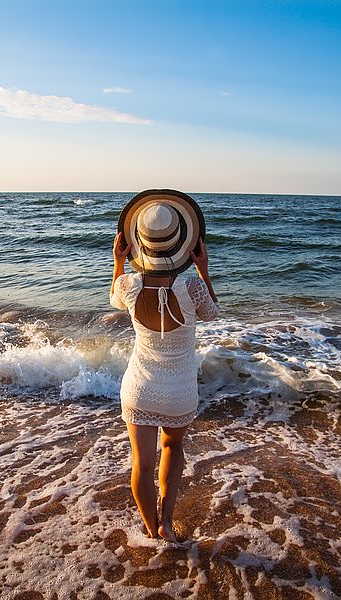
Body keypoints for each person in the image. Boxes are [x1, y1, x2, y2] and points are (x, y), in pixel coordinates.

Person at [109, 190, 220, 543]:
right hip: (179, 392)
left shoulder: (127, 285)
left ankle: (148, 528)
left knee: (140, 464)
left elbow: (113, 297)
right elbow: (213, 312)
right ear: (184, 245)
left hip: (138, 388)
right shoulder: (192, 289)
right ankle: (166, 523)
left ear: (139, 243)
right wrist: (203, 269)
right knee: (173, 450)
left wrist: (118, 262)